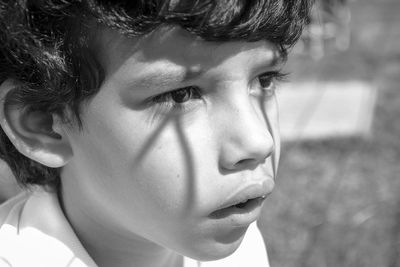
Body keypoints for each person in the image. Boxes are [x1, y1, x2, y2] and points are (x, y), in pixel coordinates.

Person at [0, 0, 312, 266]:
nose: (259, 141)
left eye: (265, 79)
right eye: (181, 95)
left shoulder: (241, 251)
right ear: (43, 125)